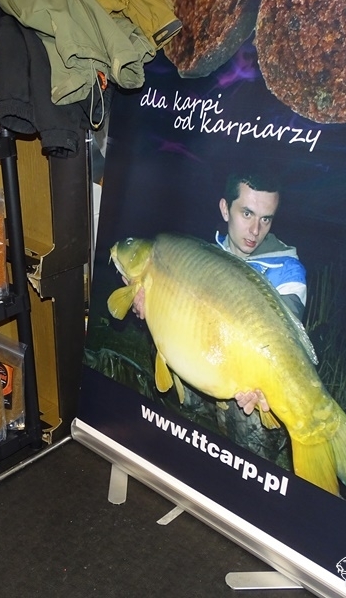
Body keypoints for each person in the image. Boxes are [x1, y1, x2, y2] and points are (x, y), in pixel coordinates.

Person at [131, 172, 307, 461]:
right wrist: (149, 307)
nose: (255, 230)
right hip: (209, 368)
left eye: (266, 219)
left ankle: (243, 469)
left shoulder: (288, 271)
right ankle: (189, 445)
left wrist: (266, 387)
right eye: (247, 214)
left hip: (250, 385)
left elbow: (286, 345)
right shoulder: (205, 257)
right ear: (225, 209)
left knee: (250, 420)